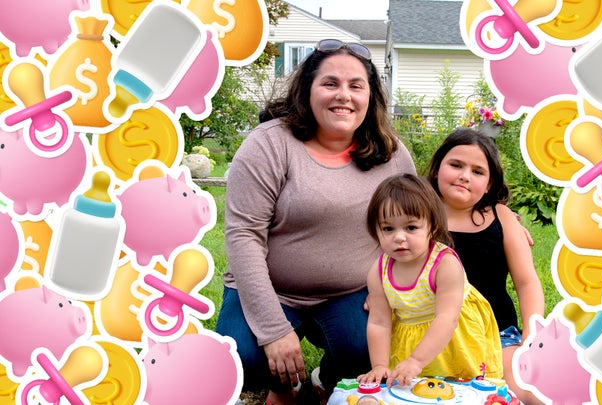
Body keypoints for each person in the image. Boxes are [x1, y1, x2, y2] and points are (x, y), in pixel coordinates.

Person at [216, 39, 416, 405]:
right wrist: (273, 331)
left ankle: (326, 377)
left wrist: (496, 212)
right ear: (307, 90)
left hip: (350, 293)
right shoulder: (268, 145)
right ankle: (284, 385)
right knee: (242, 357)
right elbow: (244, 236)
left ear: (370, 97)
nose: (344, 96)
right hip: (272, 289)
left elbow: (418, 217)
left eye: (356, 86)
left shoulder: (391, 154)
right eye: (330, 84)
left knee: (367, 350)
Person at [426, 128, 545, 405]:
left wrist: (532, 331)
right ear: (436, 169)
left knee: (526, 390)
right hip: (432, 335)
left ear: (489, 184)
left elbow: (526, 282)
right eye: (455, 165)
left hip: (497, 334)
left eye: (478, 172)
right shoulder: (417, 218)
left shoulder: (501, 217)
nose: (465, 175)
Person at [357, 173, 503, 387]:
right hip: (409, 337)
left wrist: (416, 360)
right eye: (388, 228)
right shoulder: (378, 272)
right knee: (413, 390)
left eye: (411, 227)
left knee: (460, 389)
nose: (399, 237)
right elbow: (379, 322)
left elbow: (447, 318)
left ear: (432, 227)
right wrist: (379, 365)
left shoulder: (444, 265)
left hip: (455, 336)